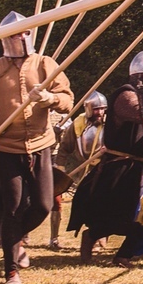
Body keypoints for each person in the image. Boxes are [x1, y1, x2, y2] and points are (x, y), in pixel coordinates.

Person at [0, 11, 73, 284]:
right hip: (6, 148)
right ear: (6, 37)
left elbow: (68, 100)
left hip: (41, 144)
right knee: (12, 207)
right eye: (16, 33)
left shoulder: (45, 64)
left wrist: (50, 98)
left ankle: (10, 238)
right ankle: (11, 271)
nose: (22, 37)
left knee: (43, 205)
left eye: (26, 32)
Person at [73, 52, 143, 264]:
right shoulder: (125, 95)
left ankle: (125, 253)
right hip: (121, 167)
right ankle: (91, 237)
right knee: (115, 214)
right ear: (138, 76)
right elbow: (140, 113)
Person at [52, 89, 107, 250]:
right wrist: (60, 170)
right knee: (87, 204)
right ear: (89, 109)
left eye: (103, 109)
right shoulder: (77, 125)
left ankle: (100, 237)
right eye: (96, 109)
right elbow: (64, 149)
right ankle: (93, 237)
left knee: (104, 203)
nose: (100, 112)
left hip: (106, 169)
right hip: (86, 172)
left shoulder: (111, 123)